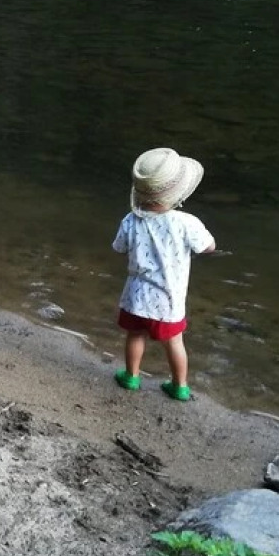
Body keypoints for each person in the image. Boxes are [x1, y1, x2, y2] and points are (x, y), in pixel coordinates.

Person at [112, 148, 216, 402]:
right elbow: (208, 246)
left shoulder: (130, 220)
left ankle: (131, 376)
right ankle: (179, 386)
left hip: (136, 297)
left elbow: (118, 247)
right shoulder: (186, 222)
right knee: (174, 342)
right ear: (177, 192)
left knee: (135, 335)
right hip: (168, 301)